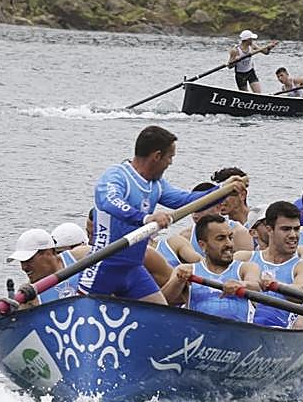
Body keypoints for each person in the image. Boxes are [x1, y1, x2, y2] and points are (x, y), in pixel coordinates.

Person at [79, 126, 238, 303]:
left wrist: (223, 189)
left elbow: (186, 200)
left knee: (160, 314)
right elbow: (109, 203)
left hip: (134, 269)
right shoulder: (116, 176)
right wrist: (145, 219)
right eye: (170, 157)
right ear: (156, 156)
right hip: (103, 266)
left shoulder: (156, 184)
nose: (170, 162)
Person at [161, 214, 260, 320]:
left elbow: (256, 286)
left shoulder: (246, 268)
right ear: (203, 245)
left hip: (239, 333)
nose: (229, 244)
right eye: (221, 238)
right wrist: (178, 282)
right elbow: (163, 301)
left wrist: (241, 284)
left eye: (230, 237)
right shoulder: (188, 270)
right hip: (199, 334)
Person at [250, 201, 303, 328]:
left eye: (296, 229)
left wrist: (275, 285)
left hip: (287, 325)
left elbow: (301, 294)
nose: (293, 235)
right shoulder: (245, 258)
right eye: (286, 229)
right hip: (251, 323)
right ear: (269, 230)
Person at [8, 228, 82, 304]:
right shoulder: (30, 296)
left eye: (28, 260)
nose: (23, 268)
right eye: (21, 261)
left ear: (49, 252)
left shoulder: (80, 256)